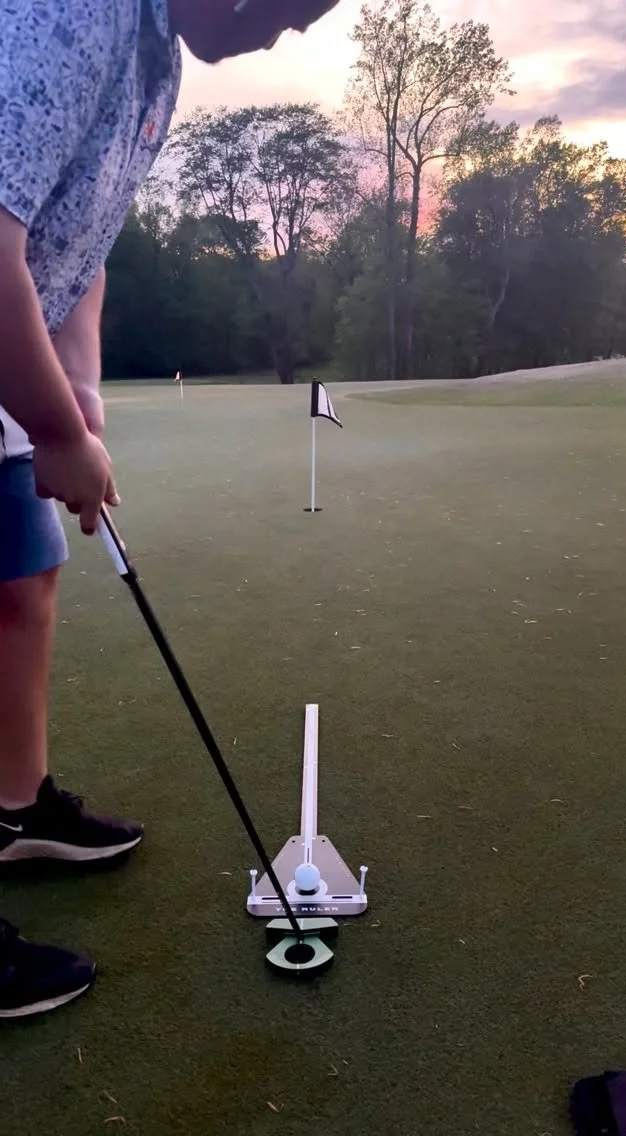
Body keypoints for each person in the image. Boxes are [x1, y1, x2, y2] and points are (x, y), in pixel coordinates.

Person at [0, 0, 338, 1019]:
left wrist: (78, 393)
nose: (281, 30)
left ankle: (15, 809)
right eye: (282, 2)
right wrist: (55, 430)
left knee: (23, 574)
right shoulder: (70, 14)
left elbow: (82, 241)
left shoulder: (158, 61)